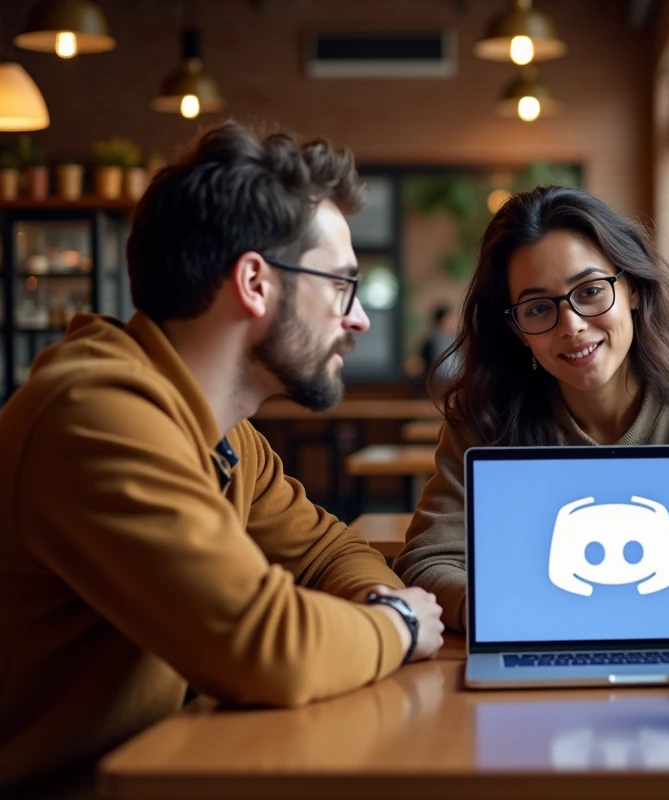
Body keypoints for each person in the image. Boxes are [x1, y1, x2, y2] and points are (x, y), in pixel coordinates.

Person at [0, 121, 444, 798]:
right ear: (256, 283)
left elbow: (328, 552)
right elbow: (268, 646)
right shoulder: (95, 415)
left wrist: (373, 598)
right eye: (341, 286)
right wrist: (400, 623)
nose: (360, 320)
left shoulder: (223, 433)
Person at [394, 185, 669, 631]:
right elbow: (427, 561)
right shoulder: (486, 417)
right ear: (516, 329)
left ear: (634, 289)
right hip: (538, 651)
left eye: (590, 291)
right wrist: (501, 612)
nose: (573, 326)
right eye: (539, 307)